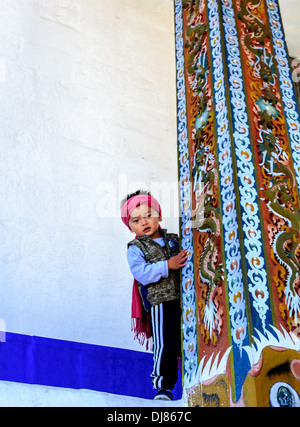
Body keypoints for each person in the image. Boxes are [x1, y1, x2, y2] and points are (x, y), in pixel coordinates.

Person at [121, 190, 188, 401]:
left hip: (184, 300)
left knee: (186, 340)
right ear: (130, 226)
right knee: (164, 341)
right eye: (136, 220)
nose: (144, 222)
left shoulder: (175, 240)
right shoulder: (135, 248)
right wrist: (168, 265)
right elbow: (141, 273)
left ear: (159, 215)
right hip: (160, 302)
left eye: (149, 214)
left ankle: (195, 378)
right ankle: (163, 387)